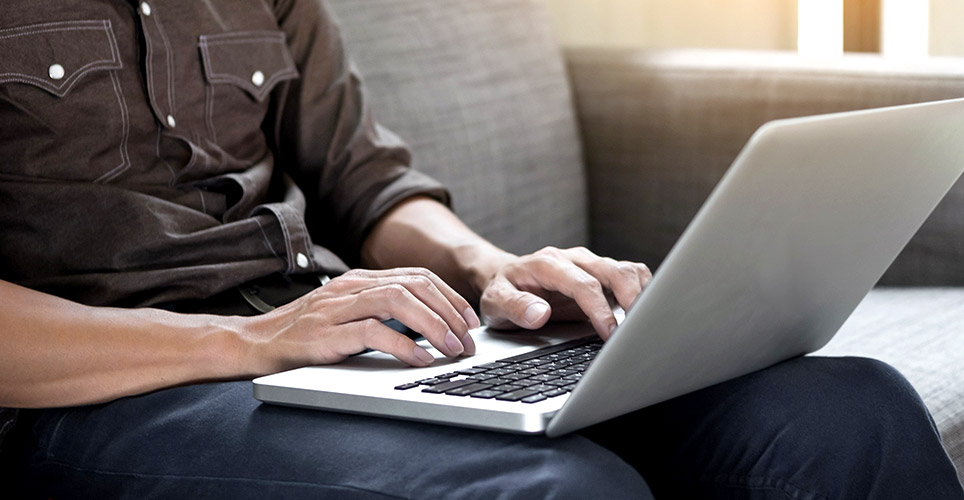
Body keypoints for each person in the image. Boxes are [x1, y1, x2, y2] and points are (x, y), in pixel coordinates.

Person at [1, 1, 962, 498]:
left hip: (329, 347)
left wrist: (490, 268)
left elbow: (364, 184)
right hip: (107, 391)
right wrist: (247, 346)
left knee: (842, 412)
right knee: (548, 491)